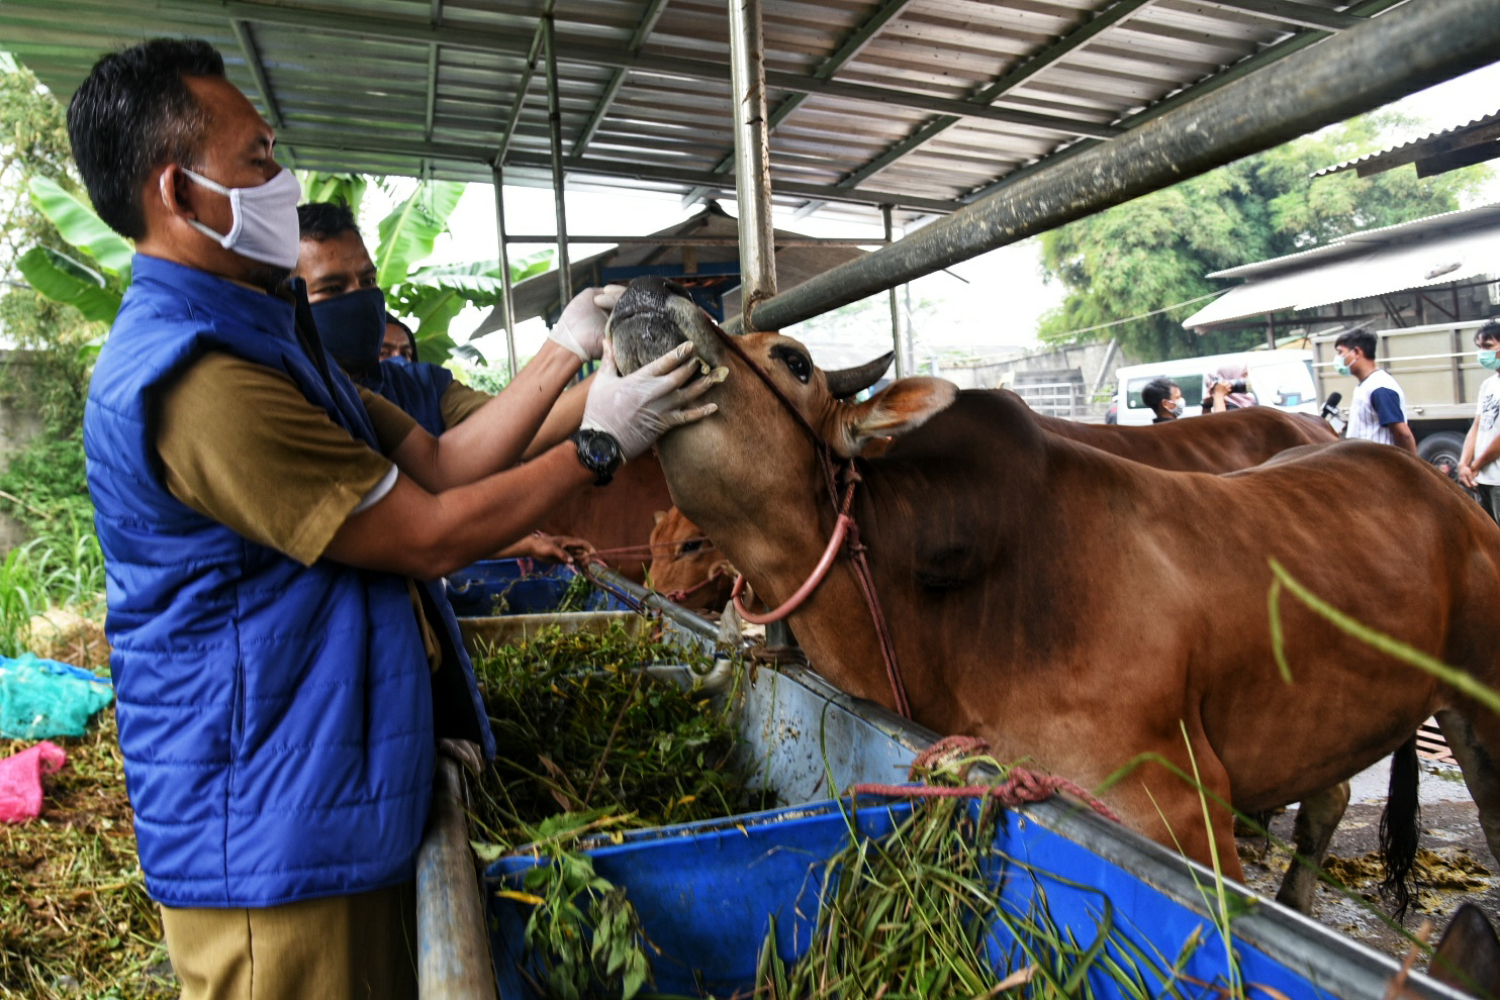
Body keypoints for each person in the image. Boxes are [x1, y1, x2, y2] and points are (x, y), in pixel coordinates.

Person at [69, 38, 715, 999]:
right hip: (272, 834)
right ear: (181, 192)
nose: (281, 181)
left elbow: (446, 456)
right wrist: (597, 448)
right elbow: (428, 531)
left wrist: (568, 349)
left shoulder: (271, 343)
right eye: (259, 161)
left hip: (326, 779)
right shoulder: (200, 380)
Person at [295, 201, 591, 563]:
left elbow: (515, 428)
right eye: (332, 288)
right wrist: (594, 451)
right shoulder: (292, 402)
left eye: (368, 281)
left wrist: (607, 367)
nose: (359, 297)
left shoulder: (417, 384)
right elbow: (424, 535)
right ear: (288, 302)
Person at [1334, 327, 1417, 453]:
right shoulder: (1366, 385)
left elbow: (1403, 434)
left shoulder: (1379, 387)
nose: (1338, 358)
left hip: (1377, 467)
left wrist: (1412, 469)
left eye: (1341, 352)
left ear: (1356, 352)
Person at [1459, 319, 1500, 522]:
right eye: (1480, 347)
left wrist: (1474, 466)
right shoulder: (1488, 385)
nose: (1482, 353)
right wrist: (1463, 463)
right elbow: (1478, 426)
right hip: (1483, 479)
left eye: (1488, 346)